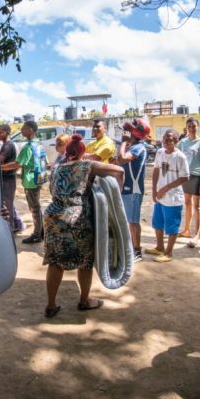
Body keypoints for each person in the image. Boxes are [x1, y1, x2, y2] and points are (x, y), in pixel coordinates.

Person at [43, 134, 124, 318]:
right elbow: (119, 170)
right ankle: (84, 300)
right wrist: (116, 198)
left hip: (53, 217)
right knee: (85, 262)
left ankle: (51, 305)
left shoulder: (56, 168)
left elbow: (52, 191)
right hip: (77, 219)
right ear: (82, 152)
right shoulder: (88, 165)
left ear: (67, 151)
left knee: (55, 262)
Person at [146, 130, 189, 263]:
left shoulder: (180, 157)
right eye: (164, 138)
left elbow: (185, 177)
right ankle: (160, 247)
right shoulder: (160, 152)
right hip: (160, 196)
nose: (165, 141)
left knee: (172, 226)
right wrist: (154, 189)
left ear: (176, 141)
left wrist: (165, 188)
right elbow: (156, 170)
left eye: (169, 139)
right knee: (157, 223)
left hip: (173, 198)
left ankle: (168, 253)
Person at [0, 120, 46, 244]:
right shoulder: (39, 143)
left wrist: (0, 167)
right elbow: (44, 161)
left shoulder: (28, 147)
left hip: (31, 182)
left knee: (34, 208)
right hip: (38, 179)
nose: (21, 131)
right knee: (36, 207)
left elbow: (17, 164)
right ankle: (40, 231)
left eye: (23, 128)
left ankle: (37, 235)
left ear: (30, 130)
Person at [116, 118, 150, 261]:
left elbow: (122, 159)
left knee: (133, 222)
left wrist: (123, 142)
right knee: (129, 221)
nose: (125, 133)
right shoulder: (131, 147)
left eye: (127, 131)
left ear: (135, 133)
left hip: (133, 191)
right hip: (126, 190)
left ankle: (137, 251)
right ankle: (131, 248)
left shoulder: (138, 148)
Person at [178, 117, 200, 246]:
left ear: (198, 127)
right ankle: (186, 230)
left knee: (198, 206)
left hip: (197, 177)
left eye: (194, 126)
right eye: (189, 126)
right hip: (185, 176)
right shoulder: (182, 142)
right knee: (187, 203)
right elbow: (179, 160)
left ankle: (196, 235)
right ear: (186, 128)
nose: (191, 128)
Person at [0, 123, 24, 233]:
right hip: (9, 178)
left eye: (0, 132)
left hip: (7, 179)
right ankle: (18, 224)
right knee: (9, 203)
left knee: (7, 204)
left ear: (7, 133)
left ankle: (10, 228)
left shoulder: (7, 146)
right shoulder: (7, 144)